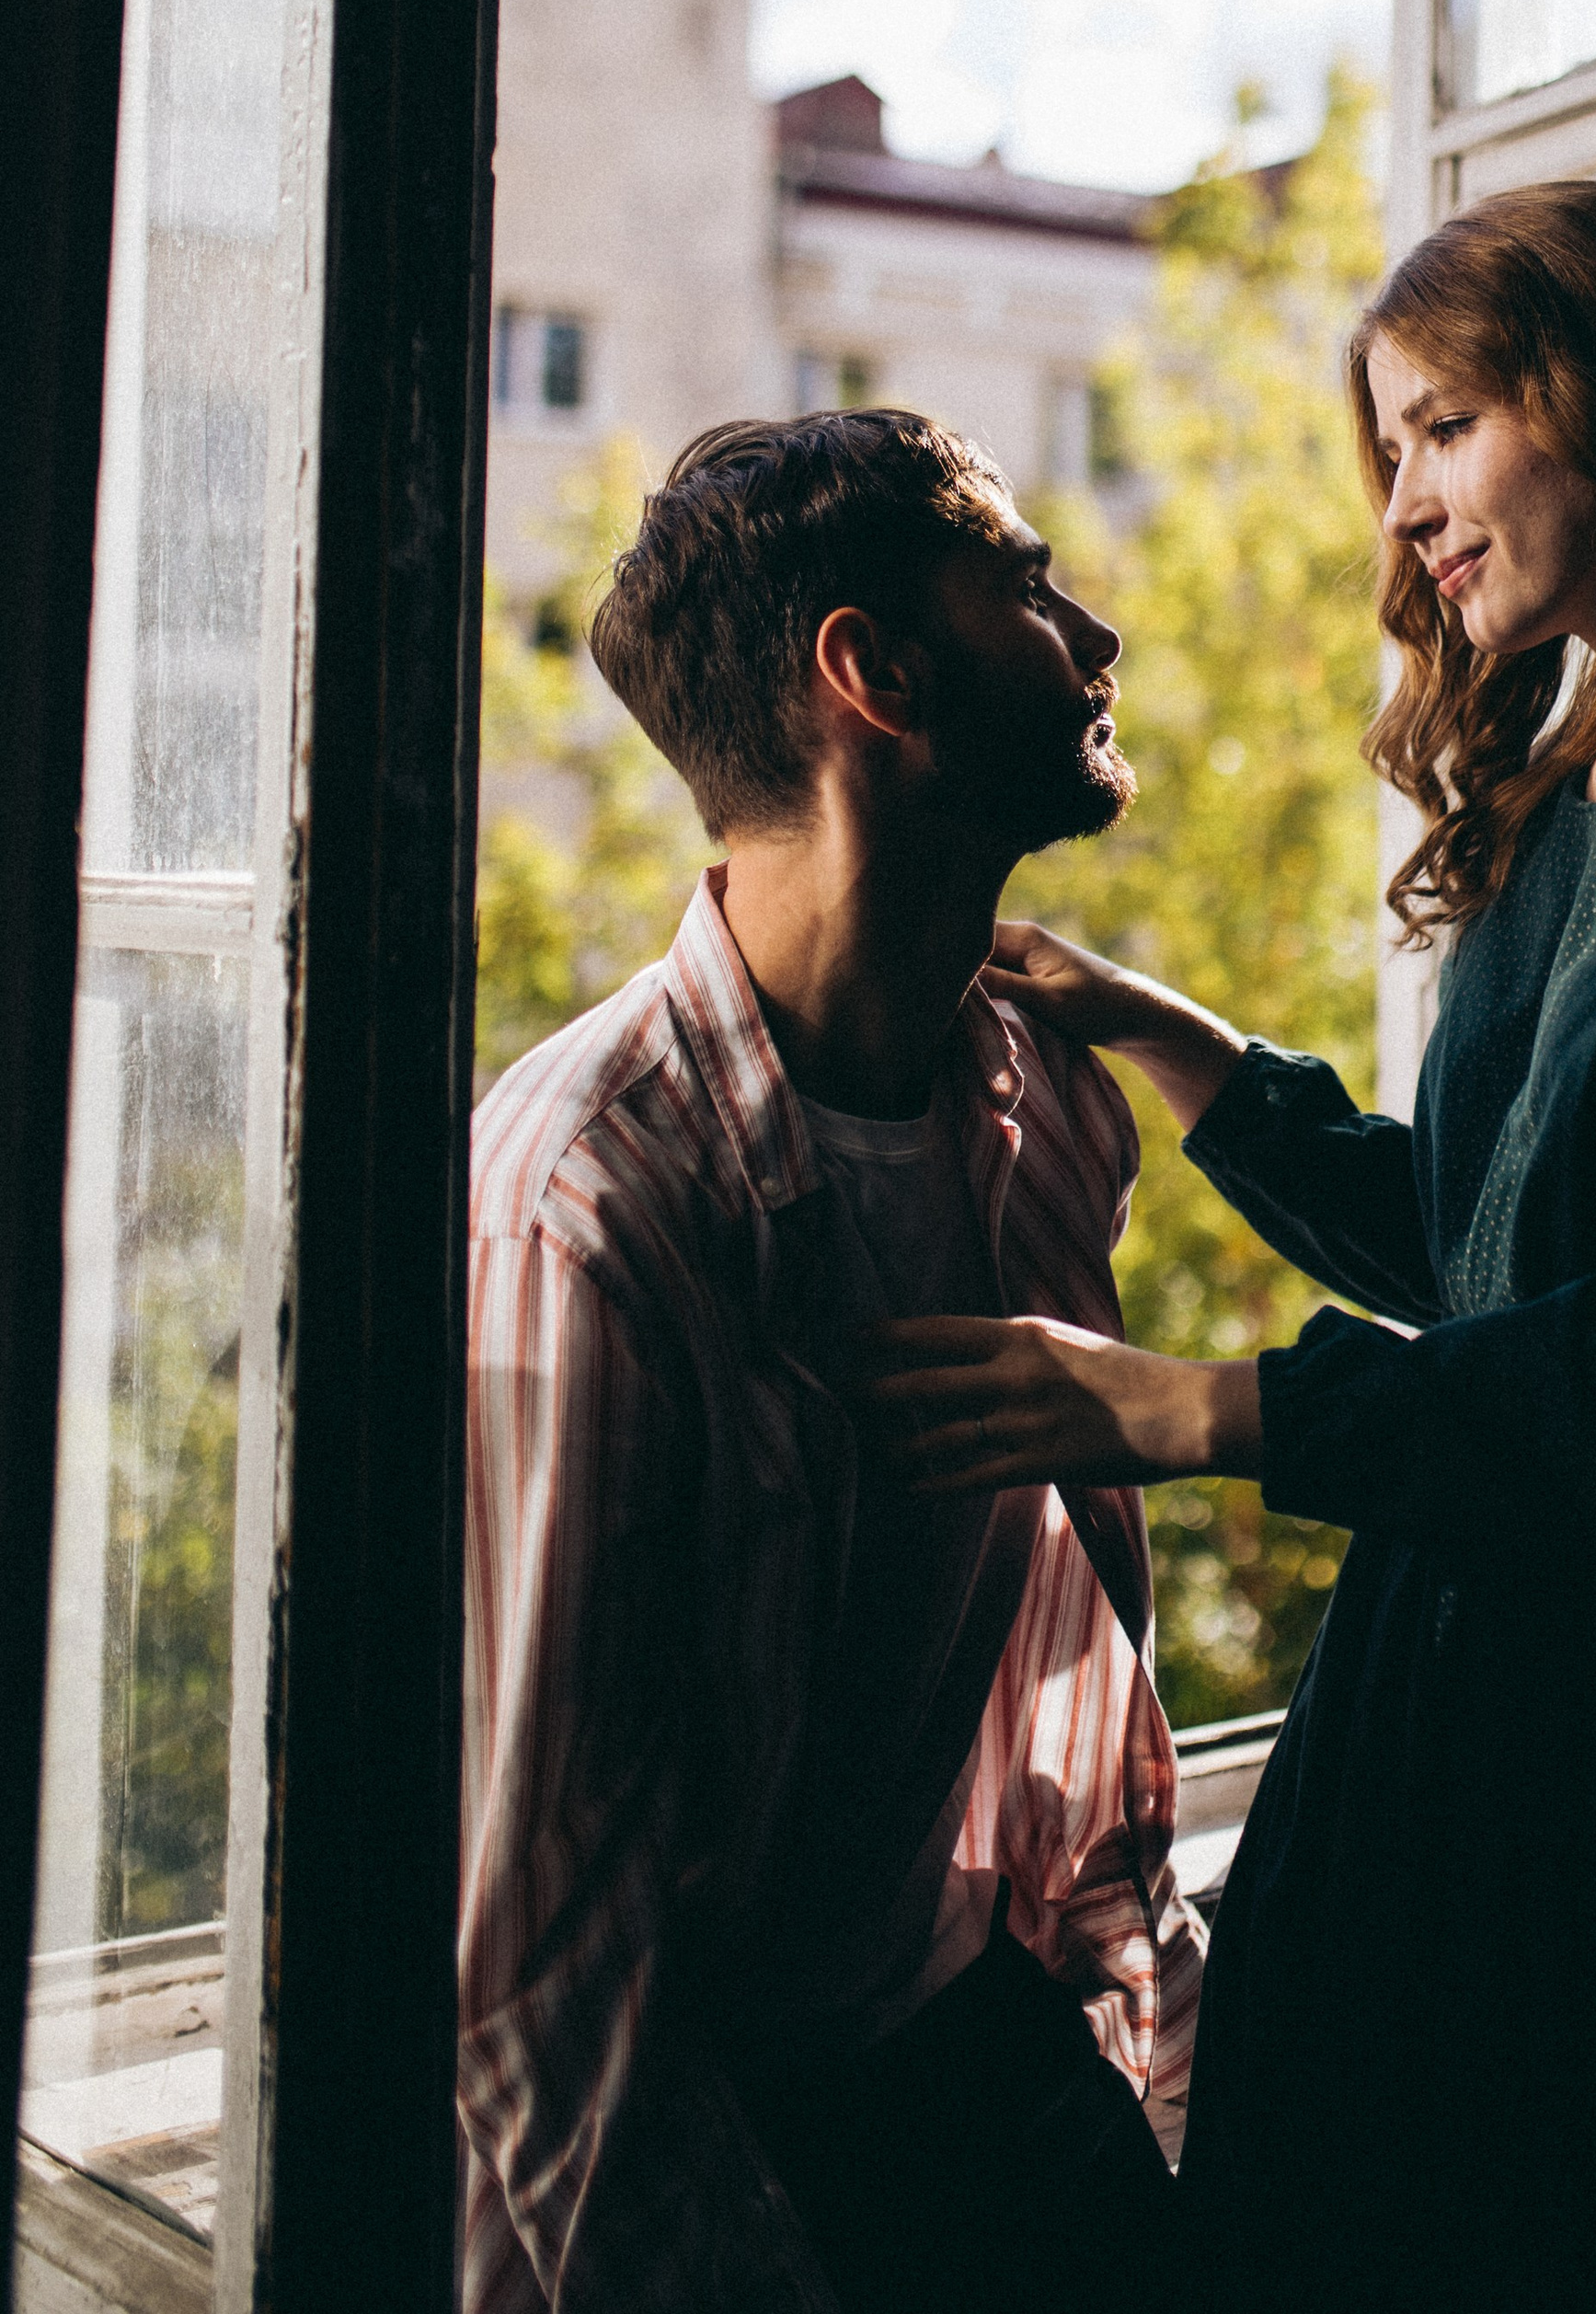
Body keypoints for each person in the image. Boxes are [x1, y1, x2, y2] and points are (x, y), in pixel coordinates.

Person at [864, 183, 1596, 2311]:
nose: (1401, 507)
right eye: (1385, 452)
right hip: (1468, 1705)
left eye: (1436, 427)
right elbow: (1499, 1243)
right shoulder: (1586, 773)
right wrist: (1175, 1044)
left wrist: (1192, 1410)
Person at [457, 413, 1202, 2314]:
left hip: (970, 2039)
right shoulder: (594, 1203)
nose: (1090, 629)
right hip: (723, 2132)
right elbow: (540, 1954)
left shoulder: (1039, 1102)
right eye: (1028, 583)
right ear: (873, 671)